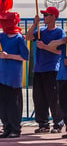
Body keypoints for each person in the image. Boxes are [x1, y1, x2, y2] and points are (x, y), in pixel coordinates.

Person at [25, 6, 64, 134]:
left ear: (53, 17)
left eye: (46, 15)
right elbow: (28, 37)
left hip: (52, 69)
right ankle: (43, 123)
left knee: (53, 97)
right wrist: (34, 24)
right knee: (39, 97)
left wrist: (45, 47)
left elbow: (59, 51)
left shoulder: (59, 32)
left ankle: (58, 123)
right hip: (39, 69)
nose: (44, 17)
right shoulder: (41, 31)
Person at [0, 11, 29, 139]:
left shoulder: (19, 38)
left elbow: (25, 56)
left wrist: (8, 56)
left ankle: (15, 128)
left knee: (13, 103)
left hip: (13, 76)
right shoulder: (2, 37)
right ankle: (6, 126)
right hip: (2, 75)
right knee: (3, 103)